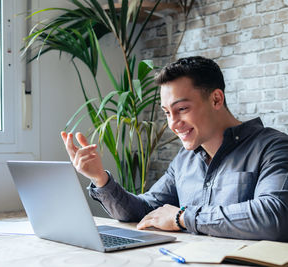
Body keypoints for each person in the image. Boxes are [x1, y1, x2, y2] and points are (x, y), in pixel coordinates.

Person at [61, 56, 288, 241]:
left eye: (181, 109)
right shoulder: (185, 159)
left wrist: (183, 218)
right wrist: (100, 179)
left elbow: (274, 217)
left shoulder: (273, 147)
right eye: (167, 112)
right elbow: (144, 210)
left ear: (216, 99)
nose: (173, 123)